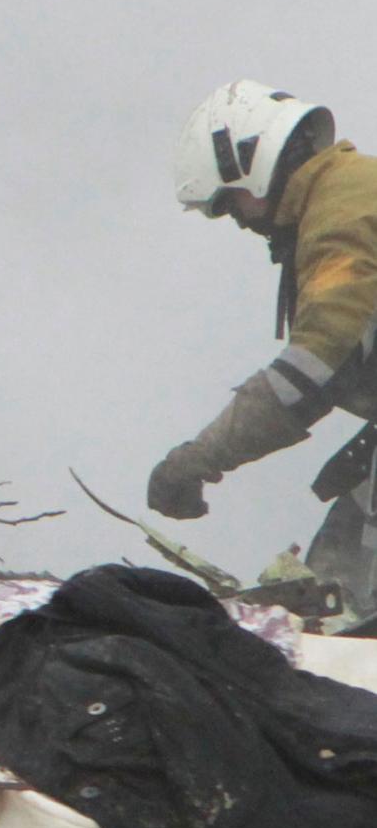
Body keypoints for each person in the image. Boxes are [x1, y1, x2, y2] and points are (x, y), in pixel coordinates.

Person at [151, 80, 377, 606]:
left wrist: (196, 459)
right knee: (339, 584)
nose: (243, 222)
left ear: (251, 162)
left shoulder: (343, 212)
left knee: (351, 607)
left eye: (233, 205)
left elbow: (314, 367)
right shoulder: (348, 189)